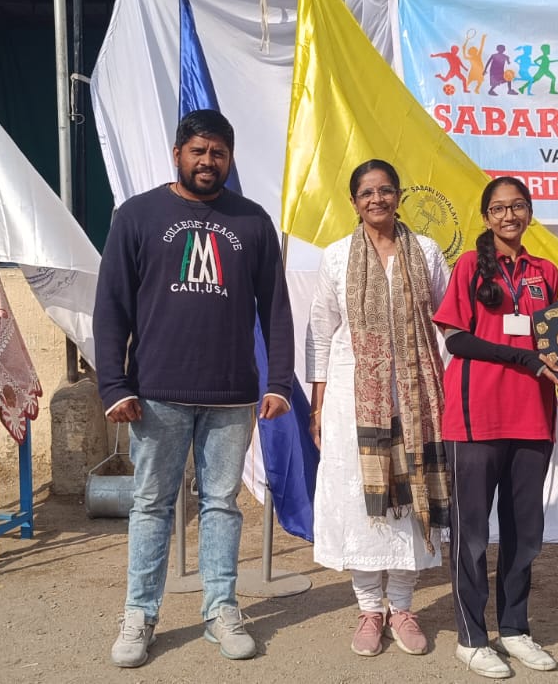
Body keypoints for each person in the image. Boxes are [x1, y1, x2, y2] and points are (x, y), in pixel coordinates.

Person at [95, 109, 294, 668]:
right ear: (177, 153)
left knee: (221, 505)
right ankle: (139, 615)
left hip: (231, 394)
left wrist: (278, 379)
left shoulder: (251, 221)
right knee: (152, 505)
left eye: (219, 153)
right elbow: (110, 308)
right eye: (199, 151)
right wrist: (114, 384)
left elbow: (275, 311)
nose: (208, 162)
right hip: (155, 392)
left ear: (230, 159)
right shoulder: (137, 217)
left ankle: (221, 609)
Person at [306, 159, 451, 658]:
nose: (377, 200)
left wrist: (447, 392)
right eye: (366, 192)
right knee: (359, 502)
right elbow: (320, 333)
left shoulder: (427, 252)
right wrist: (318, 400)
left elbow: (448, 327)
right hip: (353, 400)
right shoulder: (336, 256)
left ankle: (404, 606)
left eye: (385, 190)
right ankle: (370, 608)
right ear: (353, 202)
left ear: (398, 196)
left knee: (411, 500)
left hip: (416, 397)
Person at [434, 176, 558, 679]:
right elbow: (457, 341)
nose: (509, 216)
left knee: (524, 534)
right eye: (498, 209)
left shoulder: (546, 273)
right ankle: (471, 637)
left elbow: (555, 342)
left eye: (518, 207)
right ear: (487, 217)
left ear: (529, 212)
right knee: (471, 535)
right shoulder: (469, 265)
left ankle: (515, 629)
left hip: (533, 418)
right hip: (475, 419)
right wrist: (523, 359)